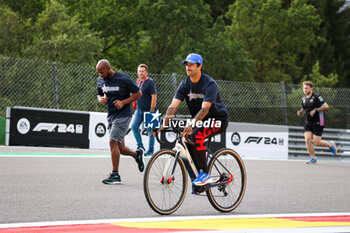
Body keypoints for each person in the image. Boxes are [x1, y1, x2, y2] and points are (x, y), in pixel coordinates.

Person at [157, 53, 229, 189]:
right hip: (201, 120)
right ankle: (201, 176)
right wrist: (163, 125)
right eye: (186, 65)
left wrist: (191, 124)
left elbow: (204, 109)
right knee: (188, 139)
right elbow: (173, 106)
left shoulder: (209, 84)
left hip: (218, 119)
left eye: (191, 64)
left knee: (197, 135)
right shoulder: (184, 84)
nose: (188, 67)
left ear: (199, 66)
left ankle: (205, 175)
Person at [96, 59, 145, 184]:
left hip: (123, 115)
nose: (100, 75)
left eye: (102, 72)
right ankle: (137, 155)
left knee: (112, 142)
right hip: (111, 115)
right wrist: (101, 99)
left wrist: (123, 102)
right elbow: (99, 94)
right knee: (121, 148)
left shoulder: (124, 79)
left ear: (109, 68)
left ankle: (115, 175)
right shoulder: (101, 80)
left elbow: (138, 93)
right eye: (98, 73)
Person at [297, 81, 337, 164]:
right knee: (307, 139)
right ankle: (313, 158)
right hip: (308, 122)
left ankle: (331, 145)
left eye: (306, 88)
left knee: (316, 142)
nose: (305, 90)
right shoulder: (304, 99)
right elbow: (304, 109)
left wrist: (316, 110)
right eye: (304, 88)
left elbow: (326, 106)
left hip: (319, 121)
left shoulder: (317, 97)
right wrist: (301, 112)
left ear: (311, 88)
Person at [131, 64, 157, 156]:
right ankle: (140, 146)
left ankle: (150, 150)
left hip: (149, 110)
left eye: (142, 71)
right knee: (134, 126)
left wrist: (152, 110)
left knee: (151, 130)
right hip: (139, 110)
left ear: (146, 72)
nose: (140, 73)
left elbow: (154, 96)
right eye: (139, 71)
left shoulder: (150, 82)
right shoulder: (138, 81)